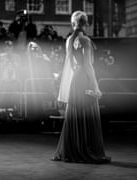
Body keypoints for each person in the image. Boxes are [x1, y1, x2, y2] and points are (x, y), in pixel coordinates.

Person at [52, 11, 111, 164]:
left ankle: (73, 151)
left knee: (75, 115)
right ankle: (87, 150)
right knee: (88, 115)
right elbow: (88, 66)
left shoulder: (69, 40)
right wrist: (95, 87)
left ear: (73, 23)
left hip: (75, 81)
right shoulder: (85, 40)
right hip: (84, 79)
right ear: (86, 23)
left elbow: (70, 65)